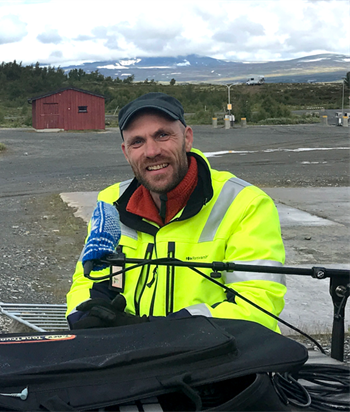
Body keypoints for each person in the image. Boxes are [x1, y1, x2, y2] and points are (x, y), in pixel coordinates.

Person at [66, 93, 286, 332]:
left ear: (187, 139)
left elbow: (257, 307)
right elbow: (87, 279)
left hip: (217, 362)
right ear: (126, 152)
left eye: (162, 135)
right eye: (137, 142)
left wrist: (153, 330)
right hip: (128, 357)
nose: (151, 151)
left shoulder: (245, 204)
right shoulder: (111, 202)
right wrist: (84, 315)